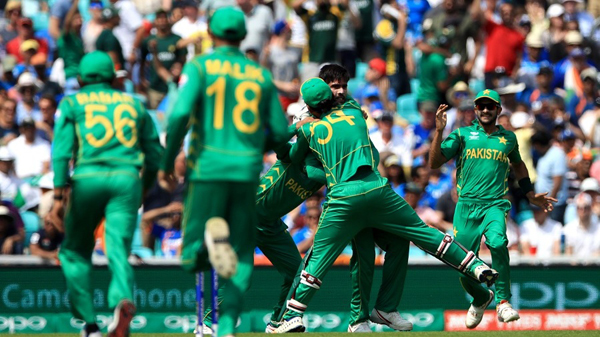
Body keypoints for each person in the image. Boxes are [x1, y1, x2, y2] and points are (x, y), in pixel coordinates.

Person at [274, 78, 498, 333]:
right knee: (419, 232)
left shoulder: (309, 130)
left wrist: (297, 127)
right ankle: (475, 266)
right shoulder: (355, 114)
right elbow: (348, 102)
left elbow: (288, 155)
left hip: (343, 197)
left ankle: (293, 314)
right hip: (377, 189)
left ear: (309, 107)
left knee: (318, 260)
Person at [157, 7, 291, 337]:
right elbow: (278, 131)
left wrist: (167, 161)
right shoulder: (259, 75)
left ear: (211, 34)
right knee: (243, 252)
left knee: (190, 258)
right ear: (244, 35)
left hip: (206, 169)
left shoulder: (199, 66)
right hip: (245, 171)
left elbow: (178, 117)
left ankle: (203, 250)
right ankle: (226, 326)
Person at [51, 51, 163, 337]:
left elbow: (62, 152)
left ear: (79, 79)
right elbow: (154, 155)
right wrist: (145, 187)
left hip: (88, 178)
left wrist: (57, 195)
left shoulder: (72, 102)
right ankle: (122, 299)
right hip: (127, 180)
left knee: (75, 252)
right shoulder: (133, 104)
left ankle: (89, 324)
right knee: (117, 250)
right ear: (114, 78)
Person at [429, 89, 556, 329]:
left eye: (490, 106)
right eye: (481, 106)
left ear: (498, 110)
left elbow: (519, 166)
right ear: (475, 110)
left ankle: (503, 302)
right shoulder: (462, 135)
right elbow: (434, 162)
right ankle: (480, 298)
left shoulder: (508, 138)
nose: (485, 110)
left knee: (498, 242)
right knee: (463, 263)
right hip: (466, 206)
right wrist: (438, 131)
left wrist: (529, 194)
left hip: (495, 203)